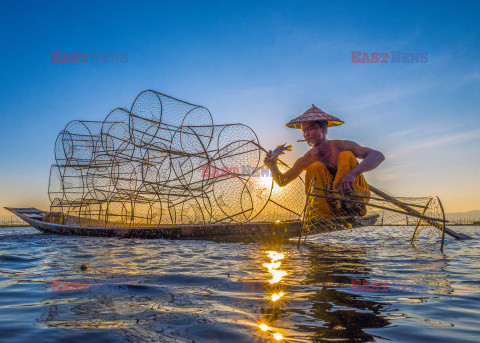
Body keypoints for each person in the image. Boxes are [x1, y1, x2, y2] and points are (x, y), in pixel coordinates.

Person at [263, 105, 385, 218]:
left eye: (311, 129)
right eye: (304, 131)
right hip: (331, 210)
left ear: (324, 128)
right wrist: (272, 165)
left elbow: (377, 155)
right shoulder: (306, 159)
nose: (307, 134)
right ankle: (320, 214)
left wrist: (352, 174)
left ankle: (344, 201)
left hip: (355, 202)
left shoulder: (341, 146)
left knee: (346, 156)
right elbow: (282, 181)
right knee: (314, 167)